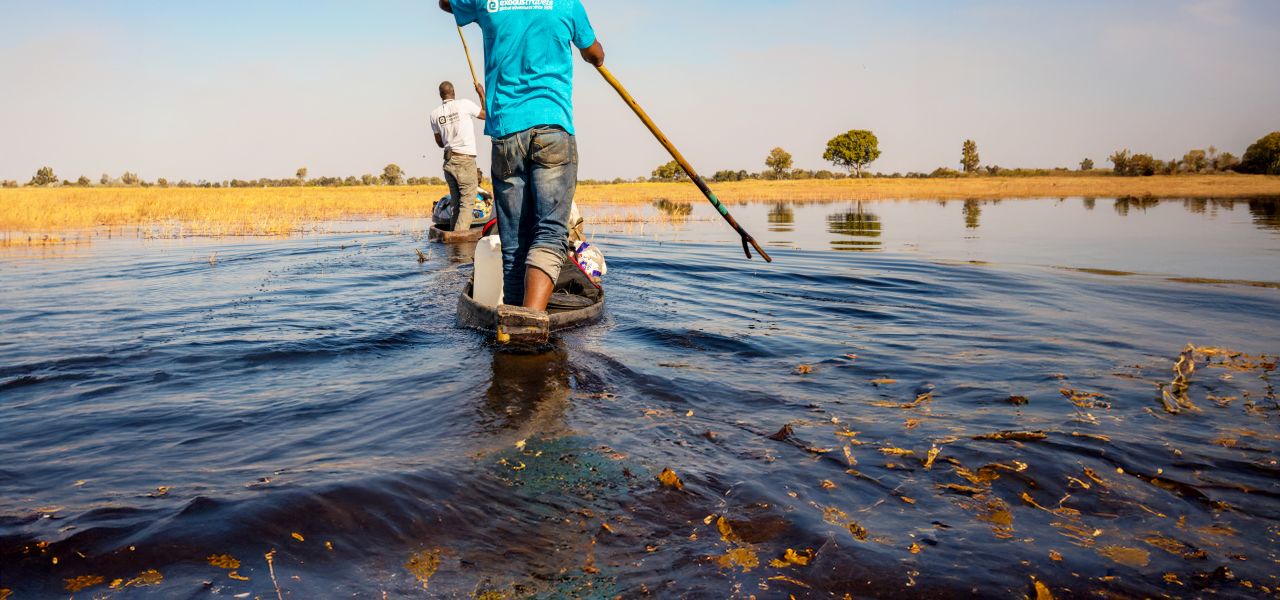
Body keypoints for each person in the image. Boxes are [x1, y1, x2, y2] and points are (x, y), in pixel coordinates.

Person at [439, 0, 605, 311]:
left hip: (506, 133)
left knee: (513, 240)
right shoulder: (567, 4)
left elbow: (446, 3)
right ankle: (530, 317)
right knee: (550, 232)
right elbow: (594, 53)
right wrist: (593, 55)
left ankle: (514, 317)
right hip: (552, 128)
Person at [430, 80, 486, 232]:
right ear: (453, 92)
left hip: (448, 161)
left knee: (456, 203)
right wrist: (481, 93)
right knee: (467, 203)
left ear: (441, 95)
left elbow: (440, 143)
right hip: (465, 160)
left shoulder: (434, 114)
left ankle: (452, 245)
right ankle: (458, 240)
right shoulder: (464, 104)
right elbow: (487, 115)